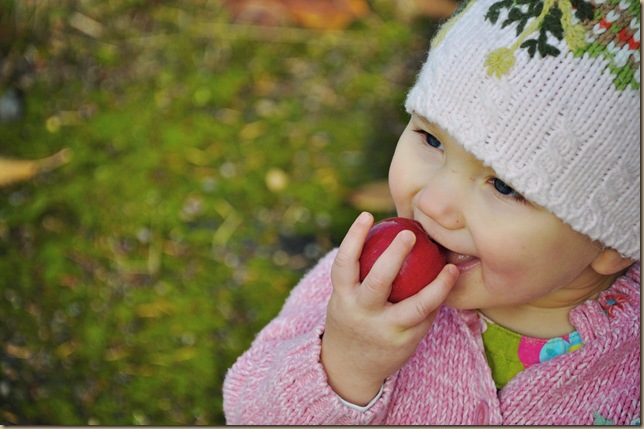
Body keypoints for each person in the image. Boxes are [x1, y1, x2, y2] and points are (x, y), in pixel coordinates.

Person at [222, 0, 640, 424]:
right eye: (431, 140)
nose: (431, 203)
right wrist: (346, 364)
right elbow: (249, 414)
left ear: (617, 242)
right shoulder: (362, 292)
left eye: (504, 186)